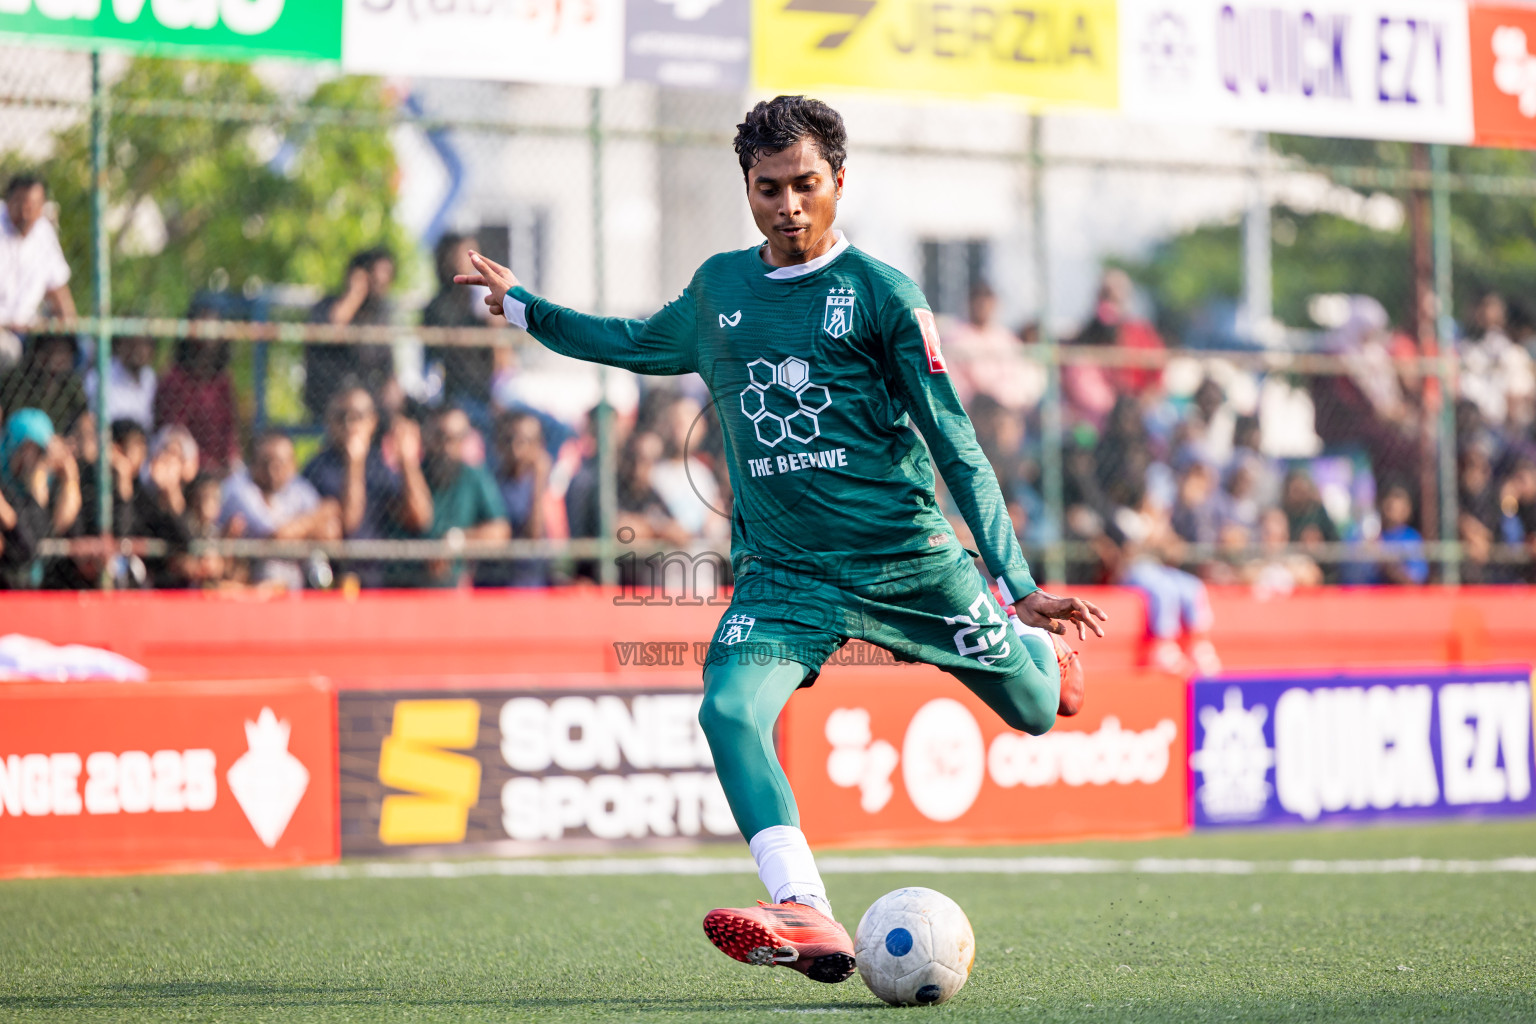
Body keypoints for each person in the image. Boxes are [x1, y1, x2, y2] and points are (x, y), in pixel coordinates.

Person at [455, 95, 1105, 984]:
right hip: (785, 574)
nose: (789, 206)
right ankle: (804, 907)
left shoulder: (882, 295)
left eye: (806, 184)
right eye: (769, 189)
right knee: (727, 710)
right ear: (748, 189)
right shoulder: (721, 288)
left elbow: (955, 442)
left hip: (909, 562)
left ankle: (1039, 655)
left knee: (1033, 711)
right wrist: (526, 308)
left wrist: (1017, 584)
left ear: (839, 179)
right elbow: (633, 341)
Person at [302, 386, 432, 588]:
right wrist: (354, 463)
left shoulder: (378, 464)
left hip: (376, 576)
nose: (349, 424)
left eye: (358, 416)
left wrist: (407, 461)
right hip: (332, 576)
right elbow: (348, 525)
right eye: (341, 417)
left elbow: (420, 518)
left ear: (372, 422)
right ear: (329, 421)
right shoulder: (317, 468)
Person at [220, 432, 341, 590]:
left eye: (281, 464)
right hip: (249, 578)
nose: (272, 471)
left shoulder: (298, 487)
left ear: (293, 464)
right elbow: (275, 535)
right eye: (265, 463)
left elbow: (331, 533)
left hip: (295, 578)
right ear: (252, 463)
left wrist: (294, 532)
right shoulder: (238, 488)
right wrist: (318, 518)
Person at [413, 406, 509, 588]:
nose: (447, 447)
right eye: (440, 437)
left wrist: (454, 541)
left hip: (455, 583)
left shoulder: (473, 476)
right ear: (427, 437)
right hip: (408, 582)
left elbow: (499, 531)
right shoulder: (414, 474)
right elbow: (418, 517)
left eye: (457, 438)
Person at [306, 248, 397, 421]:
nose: (381, 280)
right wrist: (355, 293)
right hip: (331, 392)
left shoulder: (379, 314)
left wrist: (392, 386)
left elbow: (387, 363)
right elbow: (334, 330)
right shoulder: (327, 306)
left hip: (370, 393)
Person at [0, 174, 75, 369]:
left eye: (33, 206)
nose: (26, 213)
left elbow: (58, 289)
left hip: (30, 331)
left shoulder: (43, 232)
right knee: (6, 352)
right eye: (20, 205)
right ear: (8, 202)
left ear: (42, 207)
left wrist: (71, 328)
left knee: (81, 350)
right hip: (3, 331)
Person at [0, 408, 80, 589]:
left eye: (38, 450)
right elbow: (28, 544)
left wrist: (70, 480)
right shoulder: (5, 488)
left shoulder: (52, 481)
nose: (30, 458)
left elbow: (60, 528)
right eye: (24, 449)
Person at [155, 303, 240, 475]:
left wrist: (231, 462)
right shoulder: (176, 379)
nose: (208, 337)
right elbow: (174, 434)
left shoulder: (222, 381)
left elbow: (229, 432)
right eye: (202, 329)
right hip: (185, 468)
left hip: (221, 468)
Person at [478, 409, 552, 588]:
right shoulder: (489, 483)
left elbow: (535, 537)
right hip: (492, 582)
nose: (515, 449)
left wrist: (539, 483)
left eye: (524, 441)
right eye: (508, 440)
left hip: (530, 583)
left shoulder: (548, 487)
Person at [423, 233, 495, 416]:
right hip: (458, 392)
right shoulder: (439, 306)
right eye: (464, 254)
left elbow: (504, 358)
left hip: (493, 388)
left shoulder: (483, 298)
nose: (473, 261)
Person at [0, 332, 87, 434]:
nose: (59, 358)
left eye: (64, 351)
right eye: (51, 350)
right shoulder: (15, 379)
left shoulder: (71, 383)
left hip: (59, 439)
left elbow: (84, 417)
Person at [84, 335, 157, 431]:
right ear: (121, 346)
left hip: (144, 437)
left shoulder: (149, 377)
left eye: (144, 345)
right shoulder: (100, 375)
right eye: (133, 344)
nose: (139, 351)